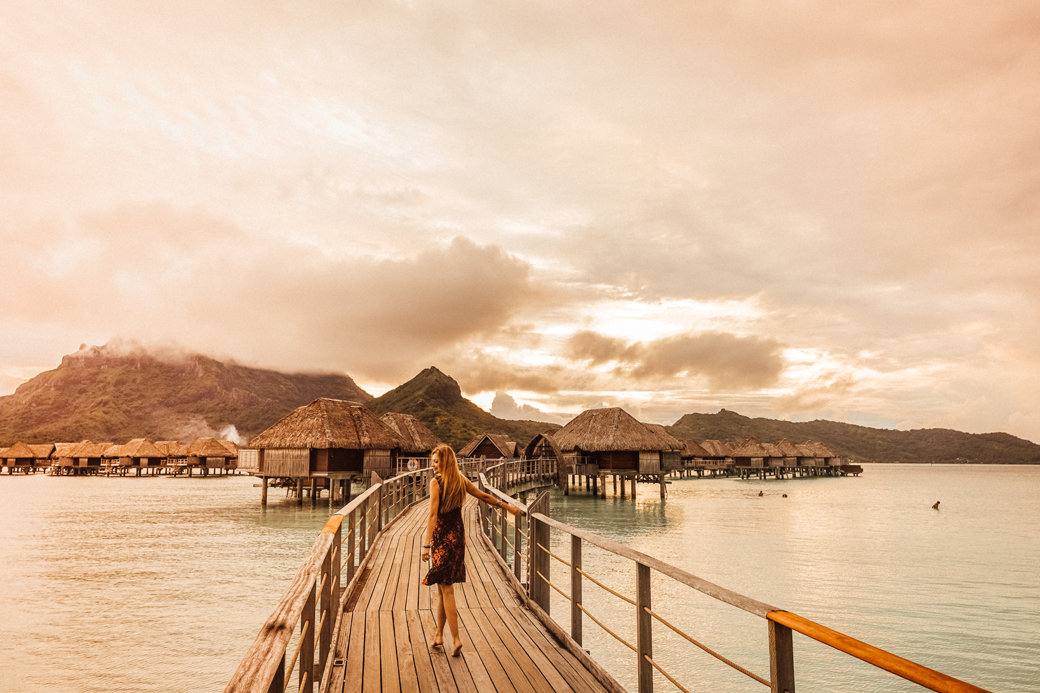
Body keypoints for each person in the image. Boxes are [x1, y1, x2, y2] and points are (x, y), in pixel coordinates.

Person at [421, 443, 523, 656]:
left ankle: (456, 638)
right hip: (458, 537)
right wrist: (508, 507)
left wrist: (426, 545)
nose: (433, 466)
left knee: (446, 589)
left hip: (441, 539)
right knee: (442, 587)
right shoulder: (461, 481)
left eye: (436, 462)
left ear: (445, 462)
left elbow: (432, 515)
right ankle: (439, 634)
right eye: (432, 462)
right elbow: (485, 497)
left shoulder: (436, 483)